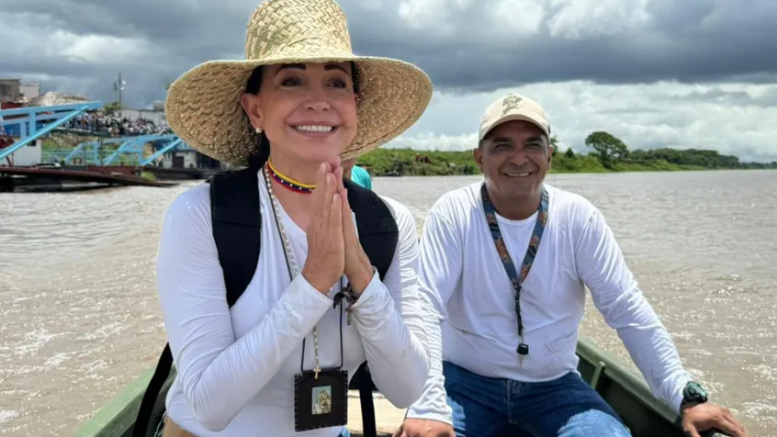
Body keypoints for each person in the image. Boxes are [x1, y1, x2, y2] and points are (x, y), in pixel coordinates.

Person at [152, 0, 435, 436]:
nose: (318, 102)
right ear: (255, 110)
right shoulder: (201, 216)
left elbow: (407, 387)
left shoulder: (387, 223)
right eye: (292, 80)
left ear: (355, 105)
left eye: (336, 83)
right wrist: (314, 282)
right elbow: (208, 405)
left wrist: (361, 274)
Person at [396, 93, 749, 437]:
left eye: (532, 145)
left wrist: (685, 396)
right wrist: (428, 406)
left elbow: (626, 308)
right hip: (463, 384)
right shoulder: (454, 213)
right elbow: (425, 306)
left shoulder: (578, 218)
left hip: (553, 387)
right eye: (502, 145)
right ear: (479, 158)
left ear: (549, 155)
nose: (519, 158)